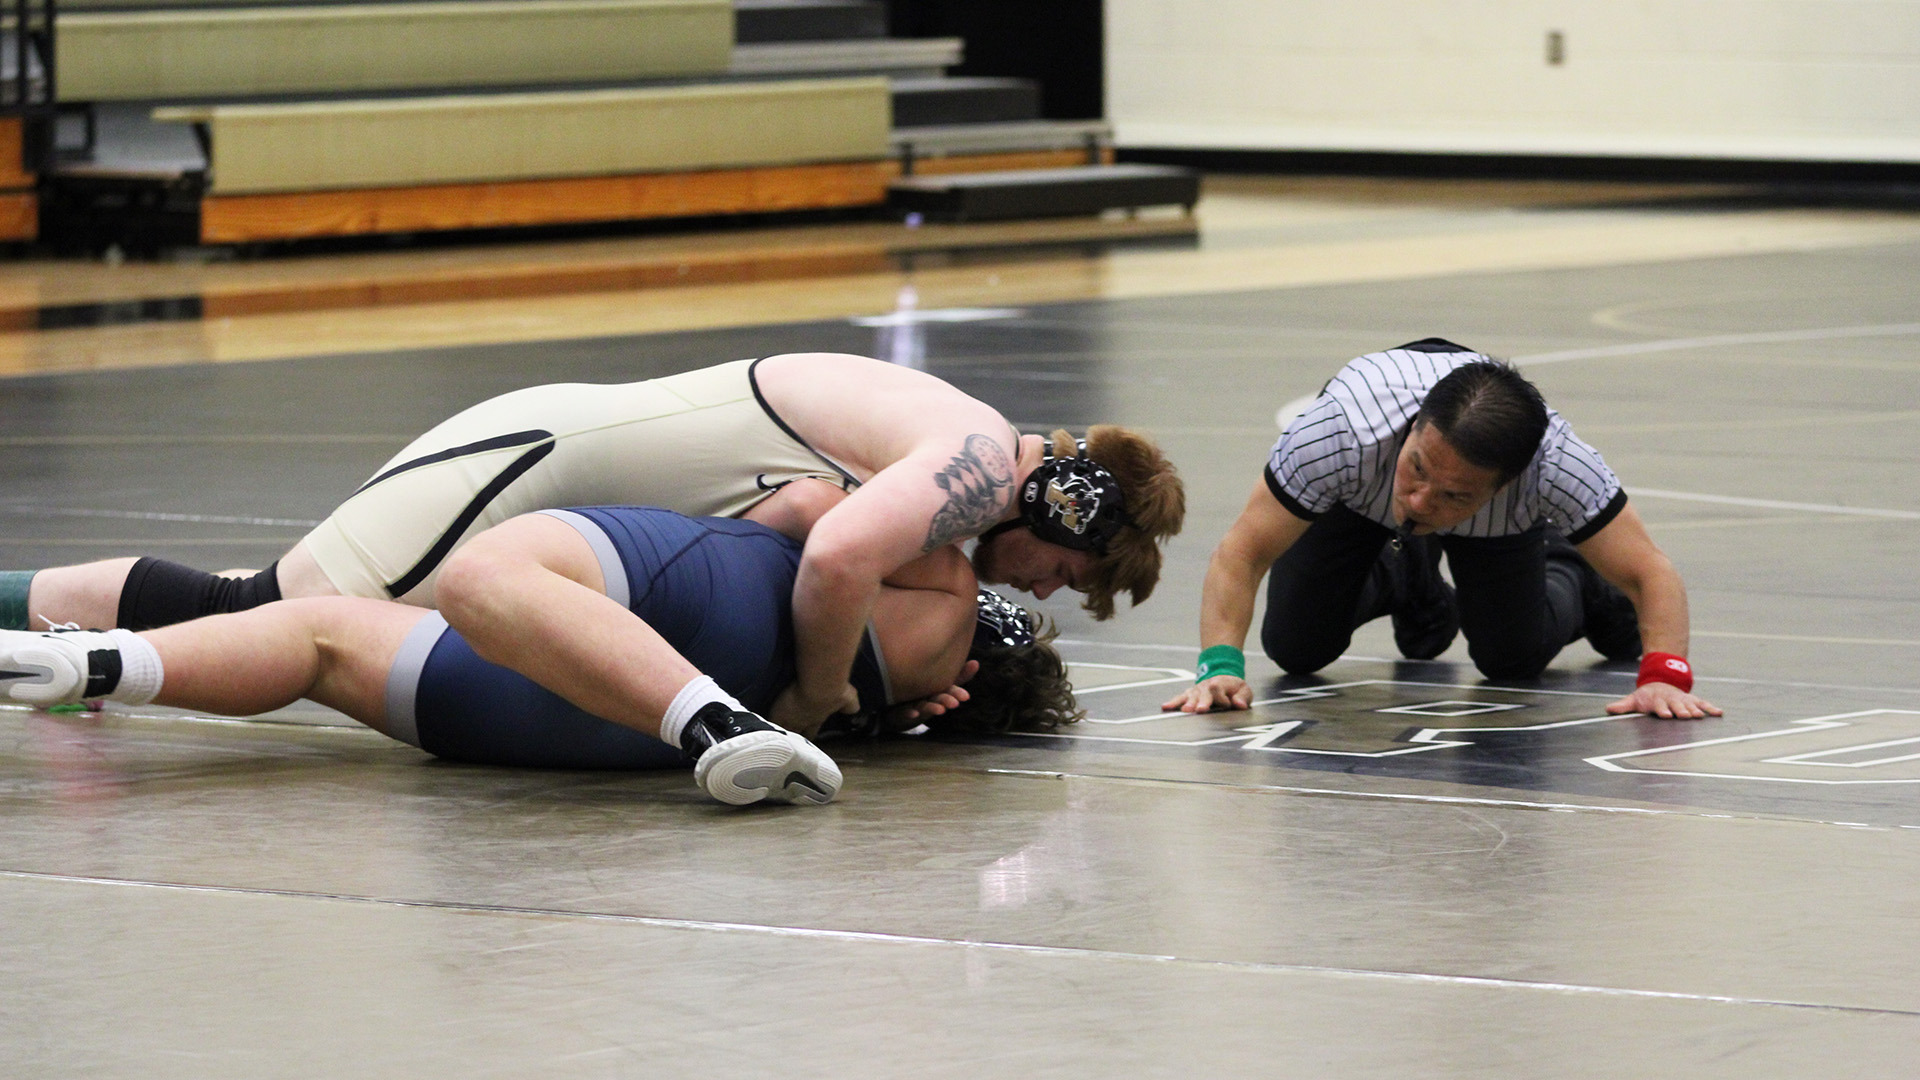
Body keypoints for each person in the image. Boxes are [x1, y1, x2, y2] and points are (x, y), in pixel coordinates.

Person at [5, 353, 1183, 734]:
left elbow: (794, 524)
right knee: (250, 604)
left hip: (569, 479)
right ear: (1066, 512)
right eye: (1071, 574)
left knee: (277, 612)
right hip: (537, 463)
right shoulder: (973, 457)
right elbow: (832, 567)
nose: (1047, 590)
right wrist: (822, 705)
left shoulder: (960, 465)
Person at [0, 497, 1079, 807]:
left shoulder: (937, 580)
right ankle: (98, 668)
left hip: (696, 600)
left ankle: (101, 660)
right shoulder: (894, 702)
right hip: (593, 738)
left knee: (405, 587)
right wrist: (835, 702)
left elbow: (820, 524)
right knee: (324, 644)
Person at [1163, 339, 1721, 721]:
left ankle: (1579, 578)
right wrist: (1219, 666)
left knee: (1512, 660)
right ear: (1413, 429)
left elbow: (1651, 571)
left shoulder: (1556, 465)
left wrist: (1665, 674)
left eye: (1453, 494)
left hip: (1497, 524)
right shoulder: (1341, 431)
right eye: (1418, 469)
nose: (1420, 499)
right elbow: (1242, 551)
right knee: (1295, 646)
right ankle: (1406, 572)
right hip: (1360, 495)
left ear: (1509, 484)